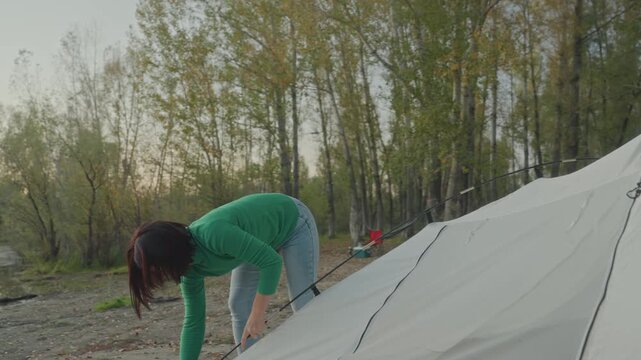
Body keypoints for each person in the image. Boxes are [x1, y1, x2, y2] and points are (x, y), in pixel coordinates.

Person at [126, 193, 320, 359]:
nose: (163, 277)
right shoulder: (189, 272)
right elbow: (194, 321)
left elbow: (271, 262)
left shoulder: (212, 233)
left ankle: (326, 351)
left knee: (302, 301)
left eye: (159, 270)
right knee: (238, 304)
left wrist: (258, 314)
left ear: (169, 253)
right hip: (259, 239)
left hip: (293, 222)